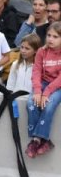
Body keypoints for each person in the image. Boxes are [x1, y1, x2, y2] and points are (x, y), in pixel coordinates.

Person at [27, 20, 61, 157]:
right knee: (31, 104)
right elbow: (36, 71)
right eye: (49, 35)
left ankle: (36, 140)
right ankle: (44, 140)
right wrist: (37, 91)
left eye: (55, 37)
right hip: (43, 83)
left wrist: (46, 93)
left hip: (57, 86)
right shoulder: (42, 51)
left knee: (48, 105)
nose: (50, 39)